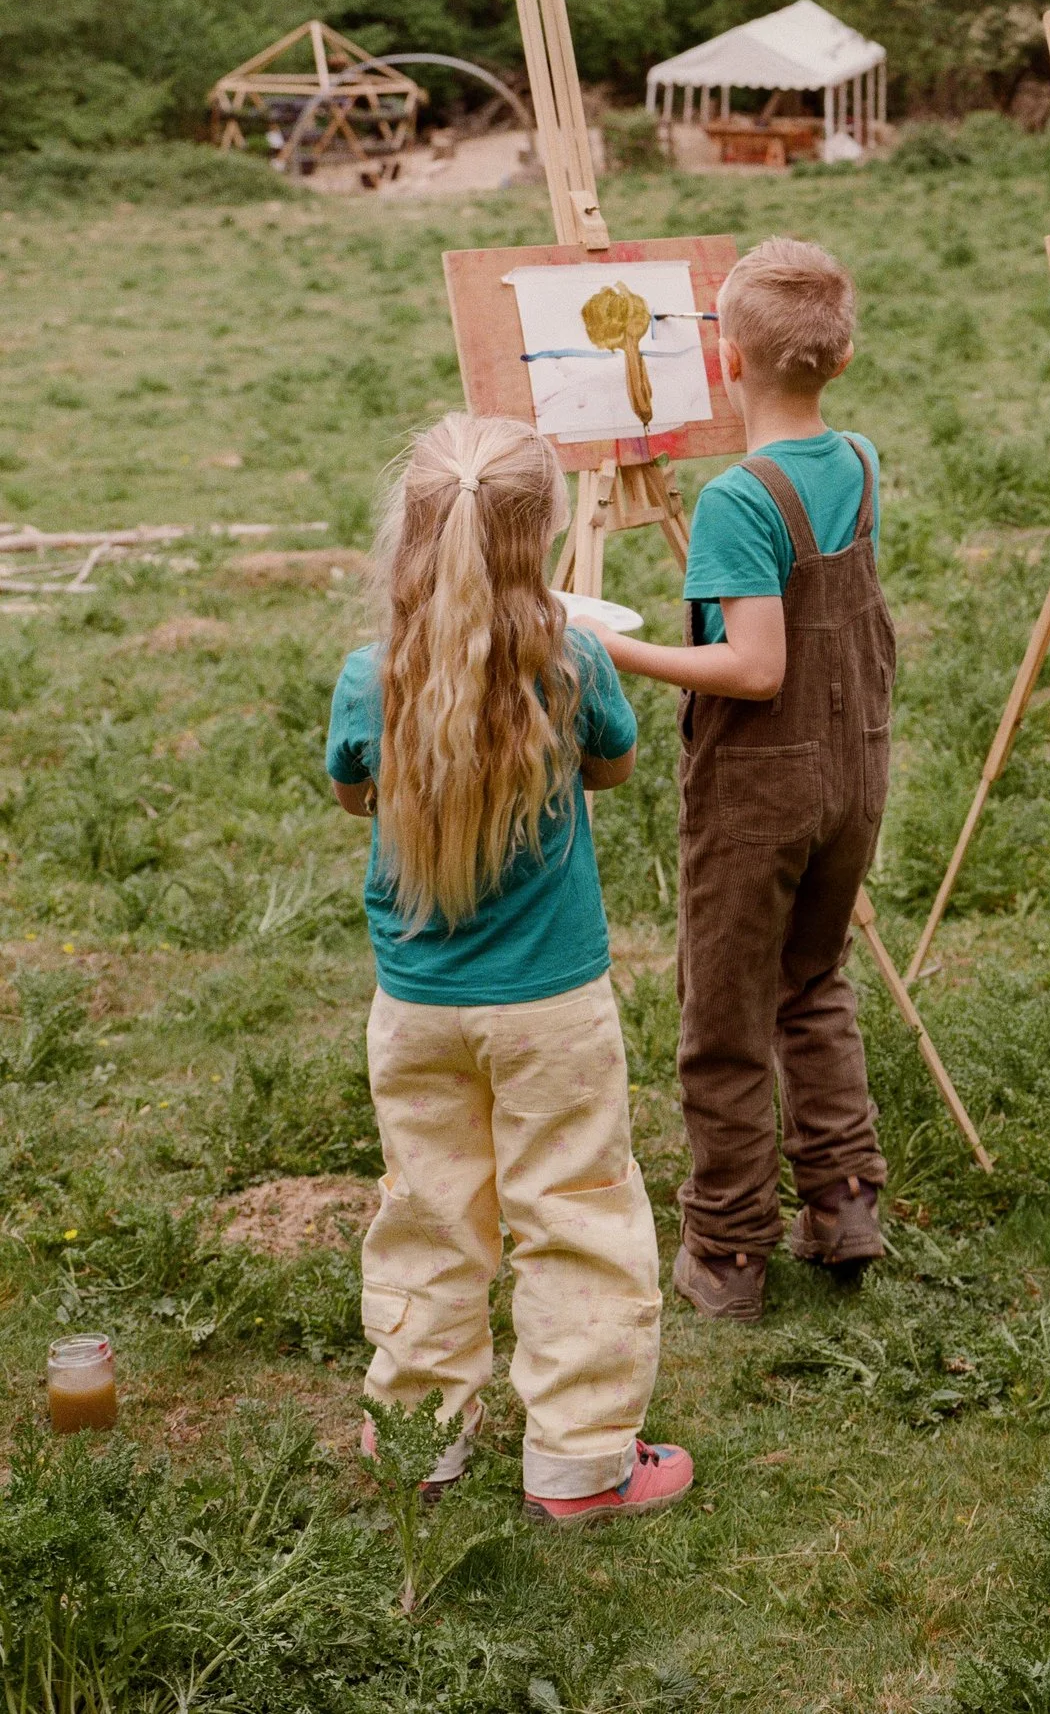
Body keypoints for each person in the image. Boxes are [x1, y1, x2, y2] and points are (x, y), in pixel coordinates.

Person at [326, 411, 690, 1525]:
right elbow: (617, 767)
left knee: (428, 1216)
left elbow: (354, 794)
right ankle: (580, 1467)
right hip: (552, 1011)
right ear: (541, 541)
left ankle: (418, 1446)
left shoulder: (368, 673)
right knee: (574, 1211)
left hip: (417, 1009)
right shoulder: (572, 660)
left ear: (412, 535)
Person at [592, 236, 891, 1322]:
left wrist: (607, 648)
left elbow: (755, 667)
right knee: (811, 983)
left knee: (722, 1016)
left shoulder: (735, 498)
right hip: (856, 771)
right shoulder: (856, 458)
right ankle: (846, 1197)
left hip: (760, 790)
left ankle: (725, 1251)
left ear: (727, 358)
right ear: (838, 357)